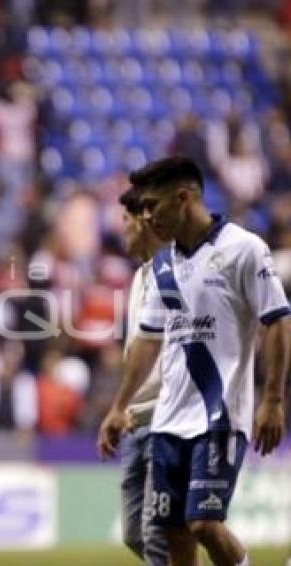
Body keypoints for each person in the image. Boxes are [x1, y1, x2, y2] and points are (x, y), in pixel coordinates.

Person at [98, 157, 291, 566]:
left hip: (218, 417)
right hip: (168, 422)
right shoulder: (164, 265)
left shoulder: (243, 249)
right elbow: (147, 341)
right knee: (173, 534)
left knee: (203, 523)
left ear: (184, 198)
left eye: (153, 205)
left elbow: (277, 322)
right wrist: (119, 407)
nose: (147, 216)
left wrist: (273, 399)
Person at [117, 186, 169, 564]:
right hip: (135, 419)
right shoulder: (139, 278)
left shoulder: (178, 272)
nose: (122, 231)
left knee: (158, 535)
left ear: (143, 221)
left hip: (168, 417)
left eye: (125, 222)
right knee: (134, 534)